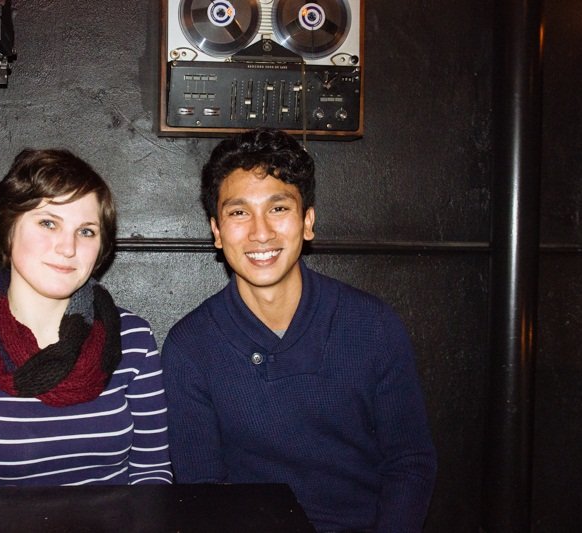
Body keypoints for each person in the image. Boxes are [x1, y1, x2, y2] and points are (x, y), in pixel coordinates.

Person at [162, 128, 437, 532]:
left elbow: (409, 463)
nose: (261, 232)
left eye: (278, 208)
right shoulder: (190, 348)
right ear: (217, 232)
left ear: (307, 222)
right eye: (239, 213)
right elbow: (204, 492)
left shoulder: (372, 326)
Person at [0, 148, 172, 487]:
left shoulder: (133, 339)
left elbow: (152, 474)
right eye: (48, 223)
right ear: (7, 230)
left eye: (86, 231)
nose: (68, 248)